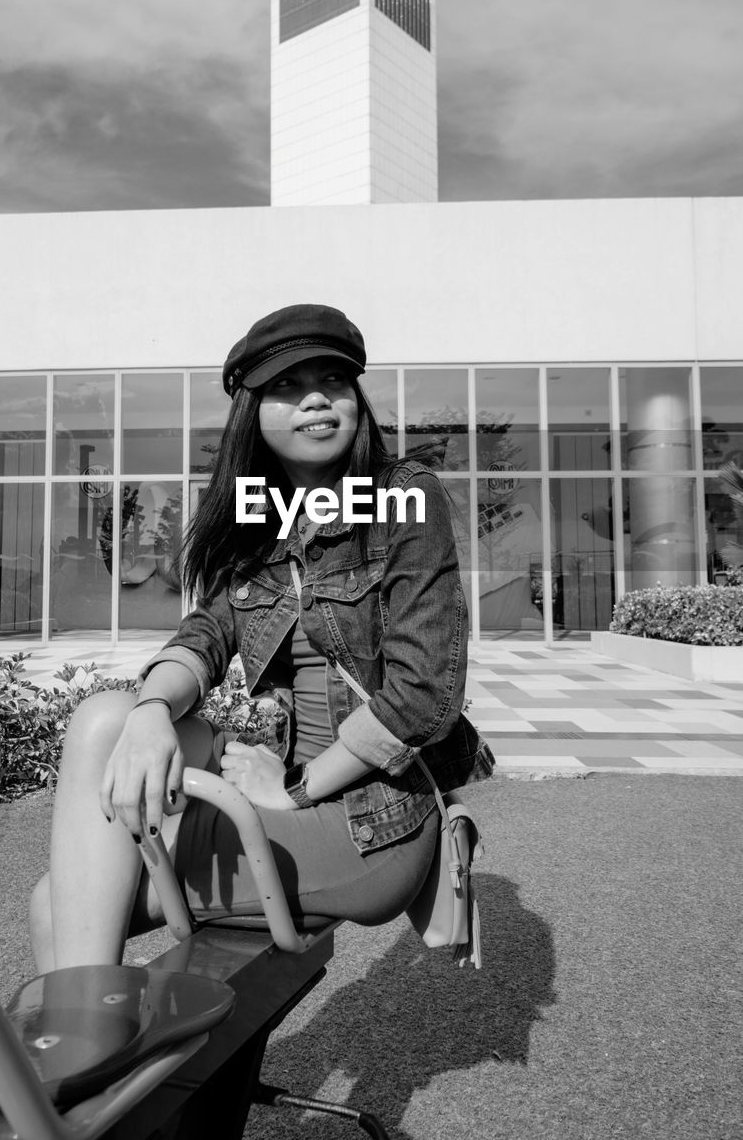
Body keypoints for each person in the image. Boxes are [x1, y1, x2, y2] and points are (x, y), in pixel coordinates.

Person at [30, 304, 492, 972]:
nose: (315, 400)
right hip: (274, 778)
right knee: (108, 719)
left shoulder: (402, 495)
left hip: (365, 817)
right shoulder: (259, 514)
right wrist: (153, 711)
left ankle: (84, 1050)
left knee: (58, 903)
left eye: (332, 380)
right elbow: (208, 633)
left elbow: (424, 696)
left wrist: (298, 787)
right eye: (285, 386)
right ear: (254, 411)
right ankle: (91, 1048)